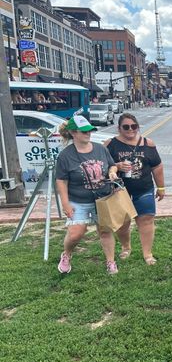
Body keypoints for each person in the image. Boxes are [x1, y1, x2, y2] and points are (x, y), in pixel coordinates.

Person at [55, 115, 119, 274]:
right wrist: (65, 203)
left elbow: (112, 166)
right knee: (76, 233)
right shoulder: (65, 156)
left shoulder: (101, 149)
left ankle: (110, 262)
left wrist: (112, 172)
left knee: (105, 231)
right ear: (73, 133)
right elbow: (61, 181)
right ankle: (67, 254)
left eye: (89, 130)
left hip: (102, 199)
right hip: (78, 200)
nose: (88, 134)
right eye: (83, 131)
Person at [104, 113, 165, 266]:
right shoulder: (110, 144)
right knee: (123, 222)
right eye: (126, 127)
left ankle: (147, 253)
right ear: (119, 128)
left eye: (134, 126)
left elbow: (157, 166)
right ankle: (126, 247)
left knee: (146, 219)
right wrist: (117, 166)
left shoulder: (147, 143)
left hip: (143, 187)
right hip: (119, 190)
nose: (130, 129)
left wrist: (161, 187)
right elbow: (103, 166)